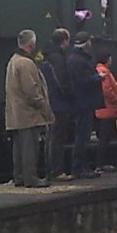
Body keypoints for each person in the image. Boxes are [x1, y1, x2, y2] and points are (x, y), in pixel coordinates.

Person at [5, 29, 55, 188]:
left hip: (16, 112)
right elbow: (31, 91)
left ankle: (19, 176)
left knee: (19, 147)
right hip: (28, 113)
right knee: (29, 148)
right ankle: (31, 178)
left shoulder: (13, 60)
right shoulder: (26, 63)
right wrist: (45, 108)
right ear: (31, 44)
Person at [66, 31, 105, 179]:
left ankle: (82, 167)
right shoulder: (79, 61)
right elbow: (83, 81)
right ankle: (80, 168)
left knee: (83, 135)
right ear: (86, 43)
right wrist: (98, 77)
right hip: (84, 102)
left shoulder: (75, 59)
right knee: (82, 136)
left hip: (82, 102)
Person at [40, 28, 73, 181]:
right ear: (64, 41)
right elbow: (62, 81)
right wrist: (70, 95)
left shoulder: (48, 57)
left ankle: (51, 169)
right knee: (57, 137)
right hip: (59, 103)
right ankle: (56, 170)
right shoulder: (58, 58)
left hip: (51, 101)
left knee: (52, 137)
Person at [94, 51, 117, 171]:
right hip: (108, 109)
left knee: (104, 138)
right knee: (105, 138)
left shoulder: (98, 70)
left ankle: (102, 163)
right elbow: (107, 90)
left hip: (102, 109)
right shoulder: (104, 72)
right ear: (107, 59)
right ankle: (101, 164)